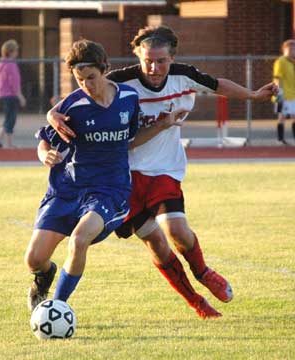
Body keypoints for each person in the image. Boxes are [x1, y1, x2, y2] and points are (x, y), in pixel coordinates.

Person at [47, 26, 278, 318]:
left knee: (177, 230)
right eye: (148, 61)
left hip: (164, 170)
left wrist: (254, 95)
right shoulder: (120, 83)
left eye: (161, 61)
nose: (154, 68)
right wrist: (50, 114)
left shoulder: (184, 76)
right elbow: (81, 94)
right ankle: (196, 302)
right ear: (138, 57)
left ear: (172, 58)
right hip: (123, 177)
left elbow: (219, 85)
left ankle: (203, 271)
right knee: (156, 243)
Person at [24, 39, 183, 312]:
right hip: (67, 189)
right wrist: (44, 155)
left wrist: (162, 125)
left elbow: (129, 141)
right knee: (34, 260)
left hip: (109, 190)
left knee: (79, 238)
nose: (86, 85)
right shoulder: (71, 107)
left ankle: (57, 308)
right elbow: (45, 140)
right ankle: (45, 276)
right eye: (79, 79)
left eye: (91, 77)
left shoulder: (128, 100)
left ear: (105, 70)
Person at [0, 39, 26, 148]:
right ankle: (9, 144)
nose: (17, 53)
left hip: (1, 94)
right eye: (16, 50)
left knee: (8, 118)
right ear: (11, 52)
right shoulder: (11, 64)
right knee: (11, 119)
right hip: (10, 95)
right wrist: (20, 96)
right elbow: (14, 82)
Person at [272, 39, 295, 145]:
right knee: (282, 116)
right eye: (289, 48)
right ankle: (280, 140)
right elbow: (278, 79)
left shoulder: (293, 62)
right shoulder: (281, 61)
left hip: (293, 94)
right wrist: (279, 94)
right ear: (284, 50)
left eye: (293, 48)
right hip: (284, 94)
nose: (292, 50)